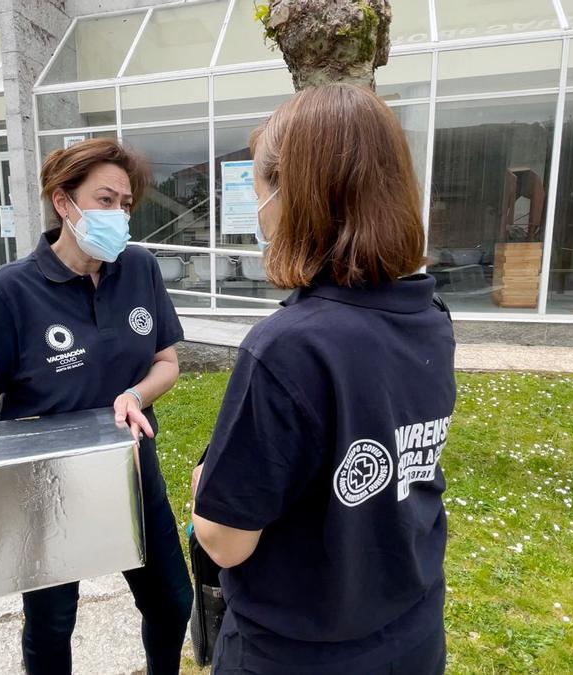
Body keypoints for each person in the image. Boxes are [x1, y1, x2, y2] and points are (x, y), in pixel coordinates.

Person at [190, 83, 456, 674]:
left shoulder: (290, 346)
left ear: (296, 194)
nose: (259, 216)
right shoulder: (429, 317)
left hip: (299, 653)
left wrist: (203, 489)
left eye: (259, 191)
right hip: (411, 635)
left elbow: (225, 539)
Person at [0, 138, 193, 674]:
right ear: (64, 203)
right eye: (105, 200)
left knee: (173, 603)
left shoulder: (140, 270)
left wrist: (134, 395)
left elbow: (167, 363)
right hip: (47, 485)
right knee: (53, 624)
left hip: (131, 470)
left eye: (126, 205)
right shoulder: (10, 292)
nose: (120, 216)